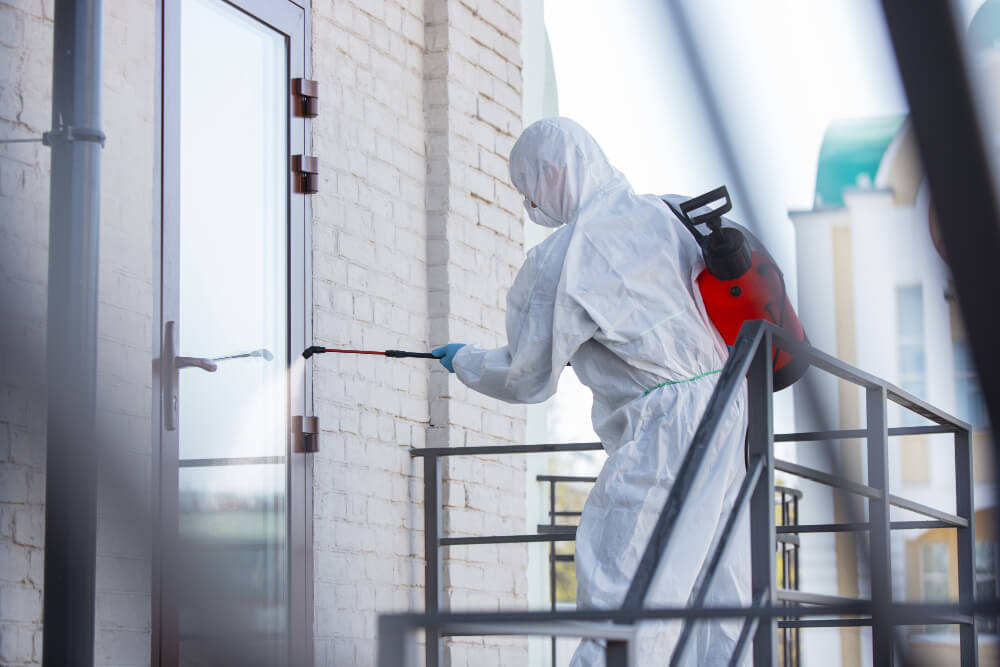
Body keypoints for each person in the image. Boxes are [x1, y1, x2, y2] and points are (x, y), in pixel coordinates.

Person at [433, 117, 750, 666]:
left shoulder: (565, 255)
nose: (530, 205)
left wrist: (465, 361)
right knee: (719, 587)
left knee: (621, 581)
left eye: (526, 188)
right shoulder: (664, 213)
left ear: (551, 173)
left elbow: (526, 374)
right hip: (729, 406)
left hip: (666, 429)